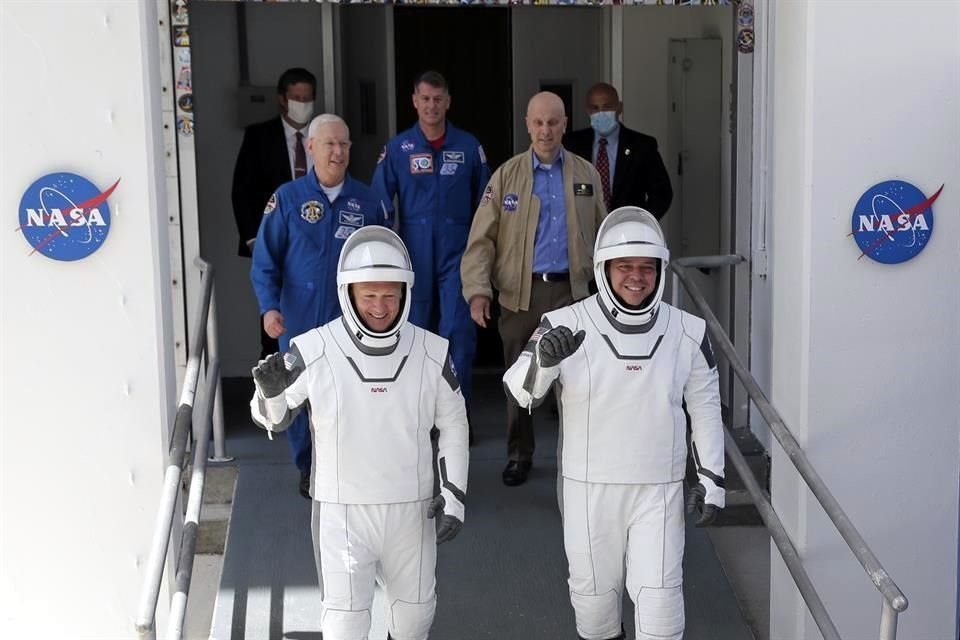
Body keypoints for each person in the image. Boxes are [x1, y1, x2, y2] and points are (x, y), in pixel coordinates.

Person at [502, 206, 725, 640]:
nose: (636, 278)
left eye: (646, 267)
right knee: (595, 613)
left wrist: (713, 479)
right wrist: (545, 363)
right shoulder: (563, 324)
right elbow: (519, 391)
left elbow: (705, 407)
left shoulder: (689, 331)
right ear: (604, 268)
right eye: (625, 267)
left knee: (662, 612)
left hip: (657, 490)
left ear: (661, 269)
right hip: (588, 490)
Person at [250, 226, 469, 640]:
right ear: (347, 292)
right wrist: (270, 394)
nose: (380, 307)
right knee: (345, 624)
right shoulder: (312, 349)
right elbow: (271, 420)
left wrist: (454, 493)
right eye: (369, 296)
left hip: (413, 508)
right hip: (342, 511)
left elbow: (455, 421)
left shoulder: (431, 351)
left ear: (405, 292)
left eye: (389, 295)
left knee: (414, 620)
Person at [460, 91, 606, 487]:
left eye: (554, 122)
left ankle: (575, 460)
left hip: (572, 295)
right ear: (527, 124)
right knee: (519, 383)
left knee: (574, 383)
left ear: (564, 123)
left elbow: (604, 233)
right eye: (539, 122)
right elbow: (481, 240)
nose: (546, 130)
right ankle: (519, 455)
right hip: (520, 298)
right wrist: (477, 291)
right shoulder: (506, 176)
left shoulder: (584, 175)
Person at [251, 113, 389, 499]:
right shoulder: (287, 199)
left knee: (352, 393)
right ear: (310, 147)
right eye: (329, 144)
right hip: (298, 318)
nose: (338, 151)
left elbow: (385, 260)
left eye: (344, 144)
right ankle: (307, 466)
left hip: (350, 319)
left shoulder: (368, 200)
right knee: (298, 396)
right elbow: (266, 262)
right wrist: (269, 308)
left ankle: (346, 465)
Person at [372, 70, 490, 415]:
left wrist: (484, 254)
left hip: (458, 255)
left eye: (438, 99)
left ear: (448, 102)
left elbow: (487, 205)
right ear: (414, 101)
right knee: (413, 334)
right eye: (425, 99)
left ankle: (455, 414)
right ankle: (418, 416)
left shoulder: (469, 147)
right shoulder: (398, 148)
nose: (431, 106)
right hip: (413, 256)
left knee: (457, 335)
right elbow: (379, 204)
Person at [232, 67, 318, 358]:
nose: (303, 103)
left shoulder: (324, 135)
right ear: (283, 99)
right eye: (297, 97)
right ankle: (274, 388)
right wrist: (253, 240)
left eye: (308, 98)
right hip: (274, 240)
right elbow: (242, 191)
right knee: (273, 317)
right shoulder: (259, 136)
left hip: (316, 241)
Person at [563, 83, 673, 219]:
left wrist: (642, 223)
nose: (601, 113)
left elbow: (662, 193)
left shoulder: (642, 146)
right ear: (587, 110)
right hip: (584, 231)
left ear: (619, 108)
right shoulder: (571, 144)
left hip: (628, 230)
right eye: (595, 108)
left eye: (607, 107)